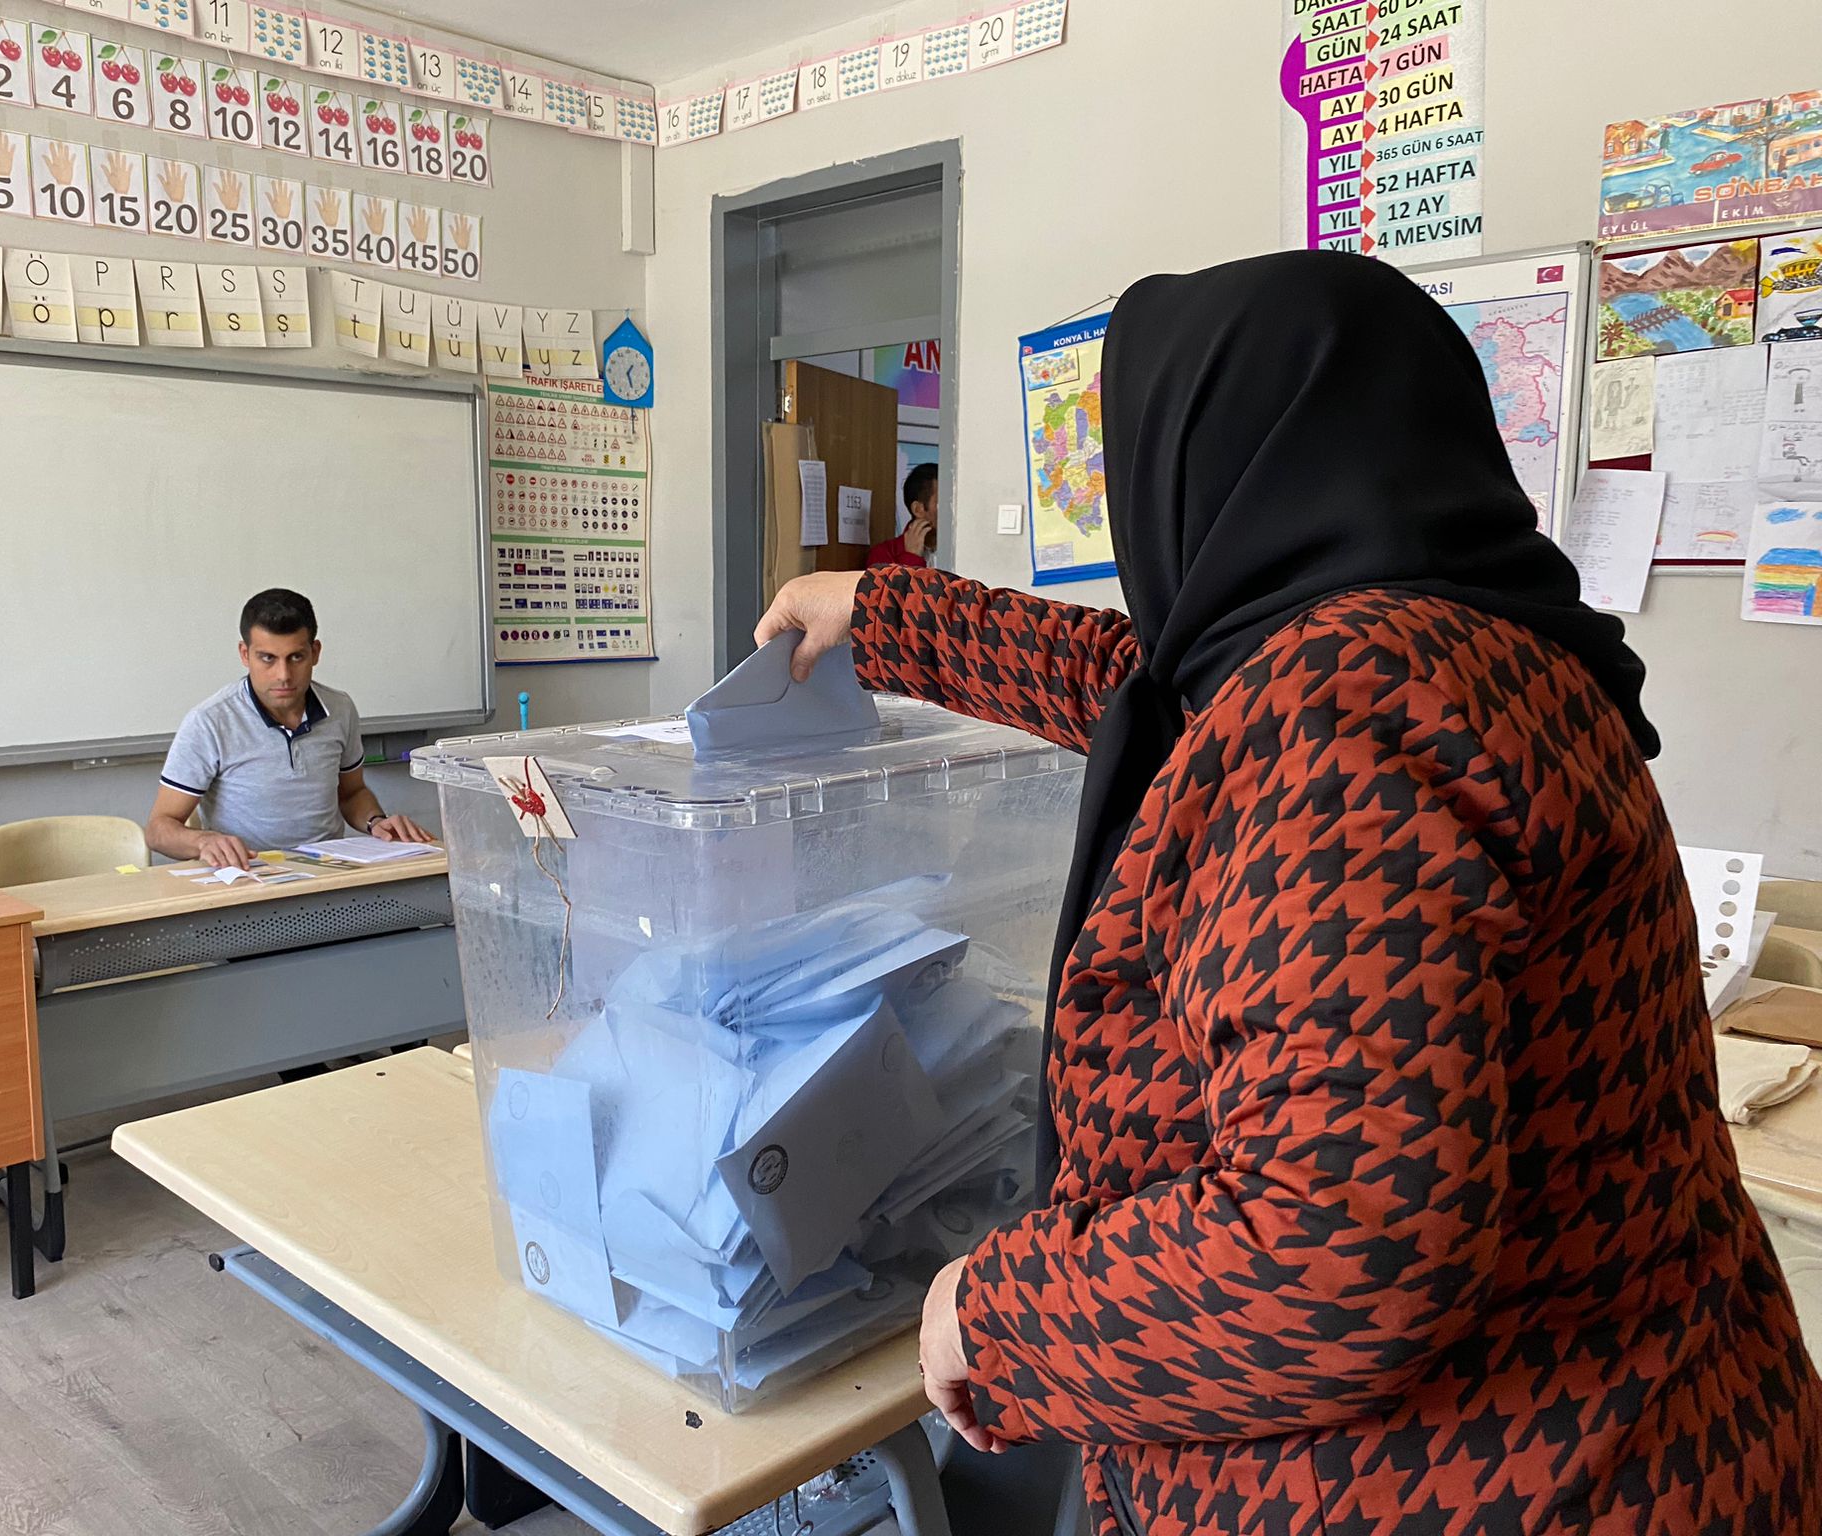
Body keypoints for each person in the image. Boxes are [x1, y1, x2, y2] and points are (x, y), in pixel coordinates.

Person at [756, 251, 1822, 1533]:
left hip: (1479, 1480)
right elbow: (1144, 692)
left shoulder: (1334, 720)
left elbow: (1331, 1243)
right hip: (1678, 1420)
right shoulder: (1492, 647)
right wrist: (884, 614)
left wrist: (997, 1314)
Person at [146, 588, 434, 868]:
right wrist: (203, 841)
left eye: (296, 657)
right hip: (250, 875)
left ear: (315, 652)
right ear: (245, 654)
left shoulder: (340, 708)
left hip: (328, 872)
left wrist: (376, 821)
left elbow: (351, 793)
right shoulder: (210, 721)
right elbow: (159, 830)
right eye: (268, 658)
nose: (283, 675)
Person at [868, 462, 938, 569]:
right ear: (918, 509)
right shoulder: (884, 555)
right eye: (943, 503)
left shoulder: (961, 548)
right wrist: (912, 557)